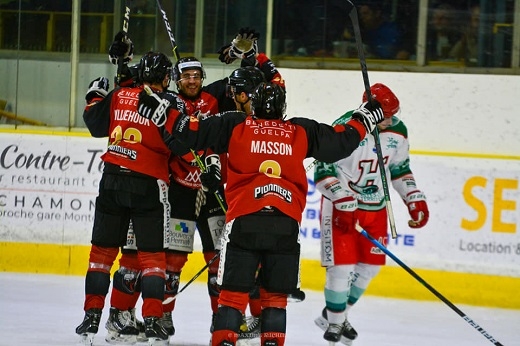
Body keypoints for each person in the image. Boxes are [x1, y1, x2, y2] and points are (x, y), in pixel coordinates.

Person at [135, 80, 385, 346]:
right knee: (275, 300)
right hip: (284, 225)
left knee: (231, 296)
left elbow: (193, 132)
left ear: (253, 104)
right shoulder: (300, 129)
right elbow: (340, 143)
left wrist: (163, 113)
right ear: (283, 107)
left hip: (245, 222)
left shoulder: (236, 124)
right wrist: (365, 117)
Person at [102, 27, 287, 344]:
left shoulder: (216, 95)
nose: (191, 80)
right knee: (168, 263)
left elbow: (265, 88)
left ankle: (224, 321)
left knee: (222, 263)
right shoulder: (165, 98)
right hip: (178, 192)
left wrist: (249, 53)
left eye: (196, 75)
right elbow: (137, 84)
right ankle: (156, 317)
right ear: (175, 78)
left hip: (215, 191)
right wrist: (121, 61)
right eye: (185, 75)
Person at [75, 50, 185, 346]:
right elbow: (182, 144)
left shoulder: (120, 94)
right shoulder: (171, 102)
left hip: (112, 180)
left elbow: (95, 125)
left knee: (100, 256)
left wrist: (95, 95)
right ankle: (152, 321)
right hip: (149, 184)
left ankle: (91, 317)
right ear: (165, 78)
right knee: (152, 259)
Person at [312, 83, 430, 344]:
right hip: (342, 206)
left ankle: (337, 315)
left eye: (393, 113)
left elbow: (400, 169)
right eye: (385, 114)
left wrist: (413, 197)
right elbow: (322, 170)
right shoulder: (346, 127)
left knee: (369, 268)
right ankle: (334, 325)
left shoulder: (398, 131)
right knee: (341, 268)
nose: (391, 119)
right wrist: (341, 199)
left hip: (376, 208)